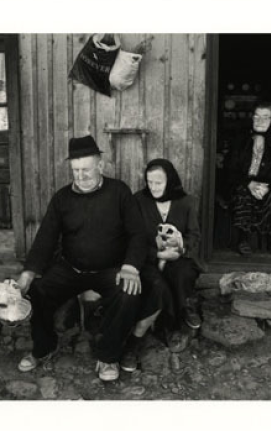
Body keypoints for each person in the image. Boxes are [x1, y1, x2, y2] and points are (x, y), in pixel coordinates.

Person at [16, 135, 147, 382]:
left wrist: (130, 267)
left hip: (110, 270)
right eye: (75, 170)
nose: (80, 175)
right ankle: (43, 348)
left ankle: (108, 356)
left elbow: (137, 234)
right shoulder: (62, 198)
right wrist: (28, 273)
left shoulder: (119, 191)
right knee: (37, 289)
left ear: (100, 166)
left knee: (129, 293)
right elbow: (45, 238)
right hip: (71, 270)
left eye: (86, 169)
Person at [120, 159, 204, 370]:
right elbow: (133, 237)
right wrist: (157, 254)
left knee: (182, 274)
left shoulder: (186, 202)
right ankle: (146, 334)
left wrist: (180, 250)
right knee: (158, 286)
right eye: (149, 182)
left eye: (158, 182)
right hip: (148, 259)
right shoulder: (139, 201)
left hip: (178, 257)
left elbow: (194, 236)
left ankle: (183, 311)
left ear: (170, 181)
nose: (153, 187)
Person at [228, 101, 271, 256]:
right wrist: (249, 183)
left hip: (268, 185)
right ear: (251, 118)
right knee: (243, 195)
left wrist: (265, 187)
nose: (261, 121)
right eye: (257, 116)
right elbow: (231, 169)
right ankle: (243, 239)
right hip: (244, 183)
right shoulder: (240, 140)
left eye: (266, 117)